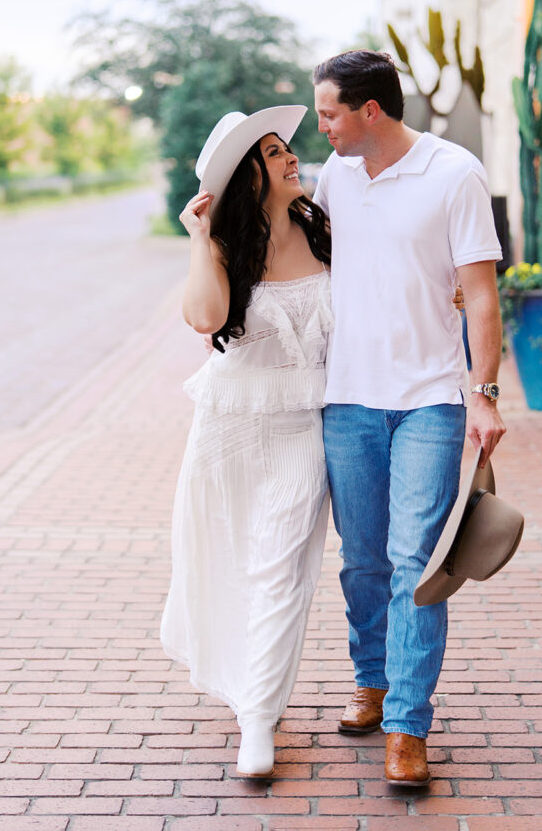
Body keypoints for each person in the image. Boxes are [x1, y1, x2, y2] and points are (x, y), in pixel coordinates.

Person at [311, 50, 506, 787]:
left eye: (329, 111)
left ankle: (407, 726)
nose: (321, 124)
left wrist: (482, 393)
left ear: (370, 111)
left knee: (414, 565)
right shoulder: (334, 177)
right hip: (346, 399)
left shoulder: (453, 173)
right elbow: (303, 259)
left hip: (429, 398)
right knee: (360, 560)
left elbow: (479, 295)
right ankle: (373, 679)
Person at [160, 105, 333, 779]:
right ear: (247, 176)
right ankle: (251, 691)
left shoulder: (325, 233)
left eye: (287, 148)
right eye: (273, 152)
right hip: (229, 426)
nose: (291, 157)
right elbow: (204, 317)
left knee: (280, 568)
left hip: (301, 428)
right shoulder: (227, 246)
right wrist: (200, 237)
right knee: (228, 561)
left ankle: (257, 721)